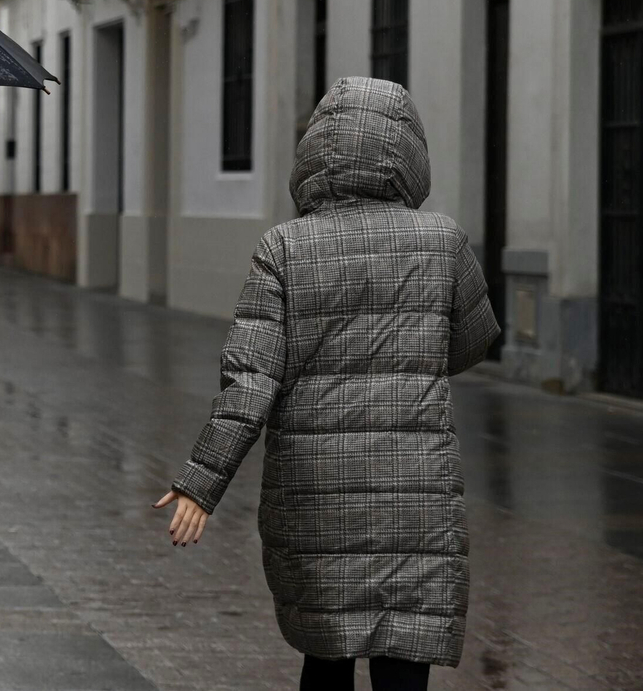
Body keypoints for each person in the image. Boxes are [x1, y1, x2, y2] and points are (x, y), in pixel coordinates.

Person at [154, 77, 499, 691]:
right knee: (403, 662)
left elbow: (250, 383)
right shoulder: (444, 241)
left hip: (315, 492)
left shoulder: (283, 249)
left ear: (313, 152)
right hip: (413, 493)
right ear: (409, 152)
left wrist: (200, 485)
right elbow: (475, 340)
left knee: (326, 655)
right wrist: (409, 362)